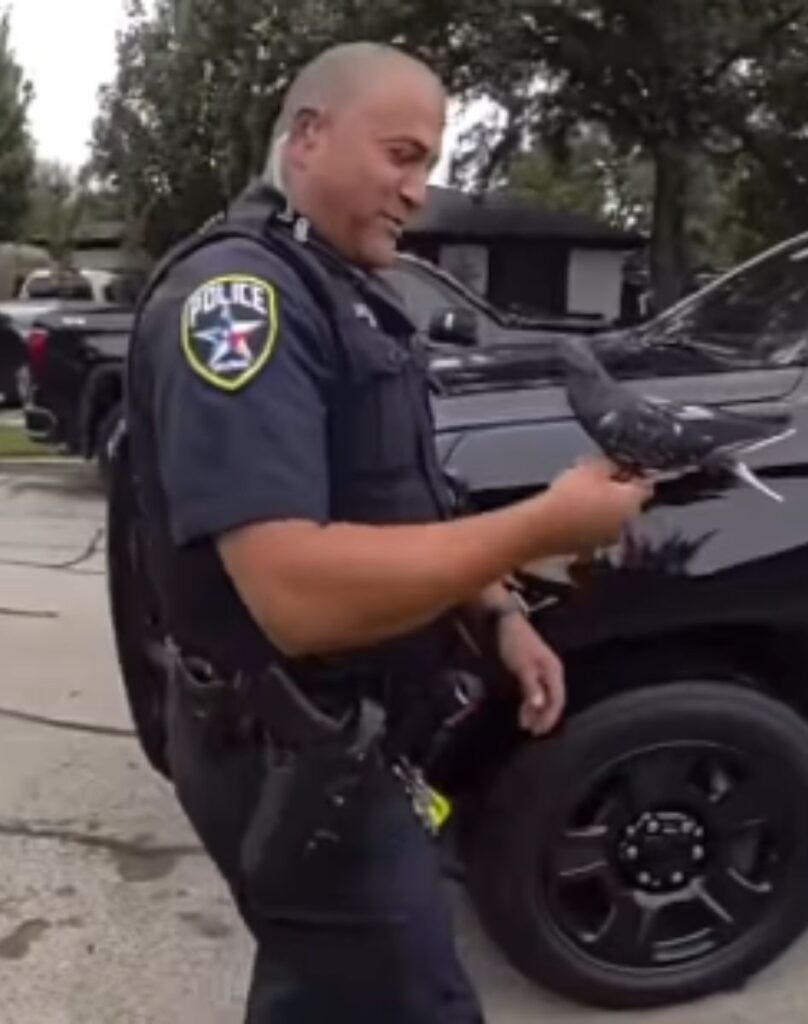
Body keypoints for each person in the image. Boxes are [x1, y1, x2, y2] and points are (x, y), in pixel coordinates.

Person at [123, 41, 652, 1023]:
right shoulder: (246, 303)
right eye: (401, 155)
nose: (420, 191)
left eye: (430, 162)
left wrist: (497, 613)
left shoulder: (342, 286)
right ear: (309, 136)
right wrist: (542, 523)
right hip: (291, 750)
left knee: (328, 994)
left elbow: (395, 495)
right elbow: (296, 593)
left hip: (347, 741)